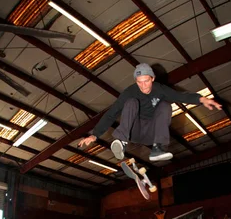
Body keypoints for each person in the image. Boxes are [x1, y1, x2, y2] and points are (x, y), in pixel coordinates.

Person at [78, 63, 221, 162]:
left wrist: (201, 99)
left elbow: (181, 96)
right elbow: (112, 113)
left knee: (165, 105)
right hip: (134, 131)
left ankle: (158, 147)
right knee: (131, 102)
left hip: (152, 133)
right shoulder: (130, 92)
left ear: (152, 78)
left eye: (146, 81)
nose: (143, 86)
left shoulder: (161, 89)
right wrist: (94, 135)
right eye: (139, 82)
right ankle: (121, 141)